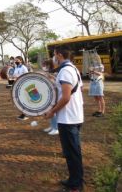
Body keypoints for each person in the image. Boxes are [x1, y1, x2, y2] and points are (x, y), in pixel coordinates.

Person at [44, 46, 84, 192]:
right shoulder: (72, 69)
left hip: (68, 119)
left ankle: (75, 185)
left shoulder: (66, 71)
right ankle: (74, 180)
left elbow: (66, 97)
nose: (53, 58)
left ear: (59, 55)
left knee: (72, 154)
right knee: (72, 152)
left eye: (54, 55)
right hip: (74, 115)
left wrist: (53, 111)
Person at [42, 59, 59, 135]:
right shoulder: (47, 72)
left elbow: (57, 82)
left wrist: (50, 77)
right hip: (48, 93)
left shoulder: (56, 72)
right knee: (49, 110)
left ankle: (56, 128)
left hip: (55, 92)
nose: (44, 66)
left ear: (49, 65)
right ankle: (52, 126)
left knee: (53, 110)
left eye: (45, 65)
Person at [13, 56, 29, 120]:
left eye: (17, 60)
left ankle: (25, 114)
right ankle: (23, 113)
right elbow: (15, 75)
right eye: (15, 60)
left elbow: (27, 76)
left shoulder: (24, 68)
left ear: (21, 61)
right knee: (20, 100)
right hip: (17, 85)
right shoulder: (16, 67)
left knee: (24, 100)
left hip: (24, 85)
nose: (16, 61)